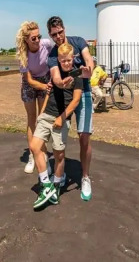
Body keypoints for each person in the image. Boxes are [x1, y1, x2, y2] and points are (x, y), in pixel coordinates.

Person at [29, 42, 83, 210]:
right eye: (63, 60)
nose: (66, 63)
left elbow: (75, 100)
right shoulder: (55, 73)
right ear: (58, 59)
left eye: (69, 60)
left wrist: (62, 118)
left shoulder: (77, 76)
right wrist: (41, 113)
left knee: (59, 154)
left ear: (73, 58)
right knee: (34, 146)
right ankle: (46, 185)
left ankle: (57, 185)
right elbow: (49, 92)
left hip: (61, 118)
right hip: (47, 115)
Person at [46, 16, 95, 201]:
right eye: (54, 35)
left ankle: (85, 177)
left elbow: (89, 60)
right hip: (64, 96)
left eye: (60, 32)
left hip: (84, 92)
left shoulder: (78, 42)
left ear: (64, 29)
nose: (58, 37)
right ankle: (60, 173)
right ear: (50, 35)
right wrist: (60, 82)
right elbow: (55, 76)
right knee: (57, 137)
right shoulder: (52, 54)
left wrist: (89, 69)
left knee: (84, 136)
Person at [15, 21, 55, 173]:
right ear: (26, 39)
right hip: (29, 83)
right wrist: (45, 87)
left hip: (45, 78)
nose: (37, 40)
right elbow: (30, 80)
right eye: (33, 38)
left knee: (42, 120)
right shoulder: (23, 55)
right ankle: (33, 155)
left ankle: (43, 155)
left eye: (39, 36)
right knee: (31, 118)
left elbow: (55, 59)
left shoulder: (46, 44)